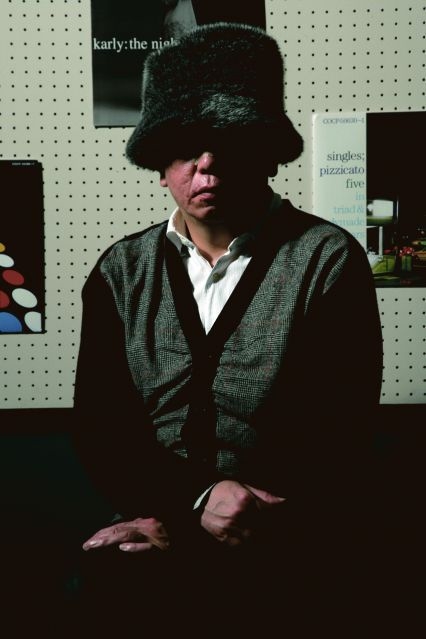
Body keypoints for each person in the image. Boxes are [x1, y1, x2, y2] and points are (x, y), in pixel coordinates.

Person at [73, 22, 383, 636]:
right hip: (150, 530)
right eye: (185, 146)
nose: (206, 163)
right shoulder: (120, 271)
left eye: (228, 143)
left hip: (288, 541)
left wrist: (220, 518)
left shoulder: (327, 259)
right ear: (159, 163)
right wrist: (188, 506)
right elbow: (102, 427)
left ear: (267, 155)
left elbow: (337, 428)